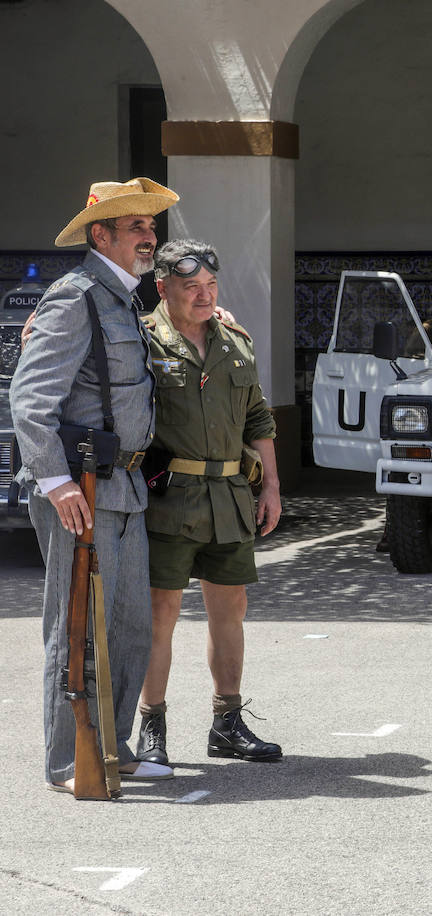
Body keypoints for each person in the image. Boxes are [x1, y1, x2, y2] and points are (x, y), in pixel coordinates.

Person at [11, 177, 180, 791]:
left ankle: (113, 742)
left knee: (129, 625)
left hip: (125, 484)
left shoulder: (126, 300)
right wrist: (56, 483)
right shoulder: (74, 298)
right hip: (79, 486)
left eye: (151, 227)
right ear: (100, 234)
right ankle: (67, 757)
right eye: (136, 227)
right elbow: (31, 400)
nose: (149, 237)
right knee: (75, 623)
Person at [134, 239, 284, 768]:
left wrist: (270, 486)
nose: (203, 296)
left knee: (231, 611)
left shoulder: (235, 341)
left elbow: (258, 420)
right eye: (190, 287)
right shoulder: (141, 341)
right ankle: (152, 727)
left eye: (210, 287)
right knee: (160, 615)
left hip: (229, 498)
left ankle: (227, 722)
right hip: (168, 502)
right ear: (163, 288)